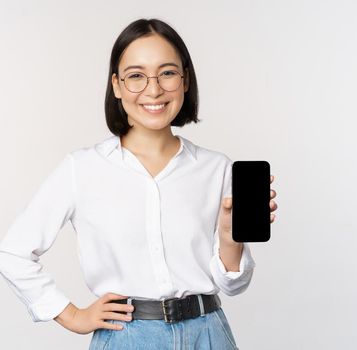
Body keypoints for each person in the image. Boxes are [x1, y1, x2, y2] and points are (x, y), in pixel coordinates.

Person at [0, 18, 278, 349]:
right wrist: (71, 315)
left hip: (209, 335)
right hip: (127, 338)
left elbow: (233, 286)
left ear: (185, 80)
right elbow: (13, 252)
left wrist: (231, 241)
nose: (154, 89)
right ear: (116, 85)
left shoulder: (216, 168)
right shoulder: (82, 168)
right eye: (136, 76)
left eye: (168, 73)